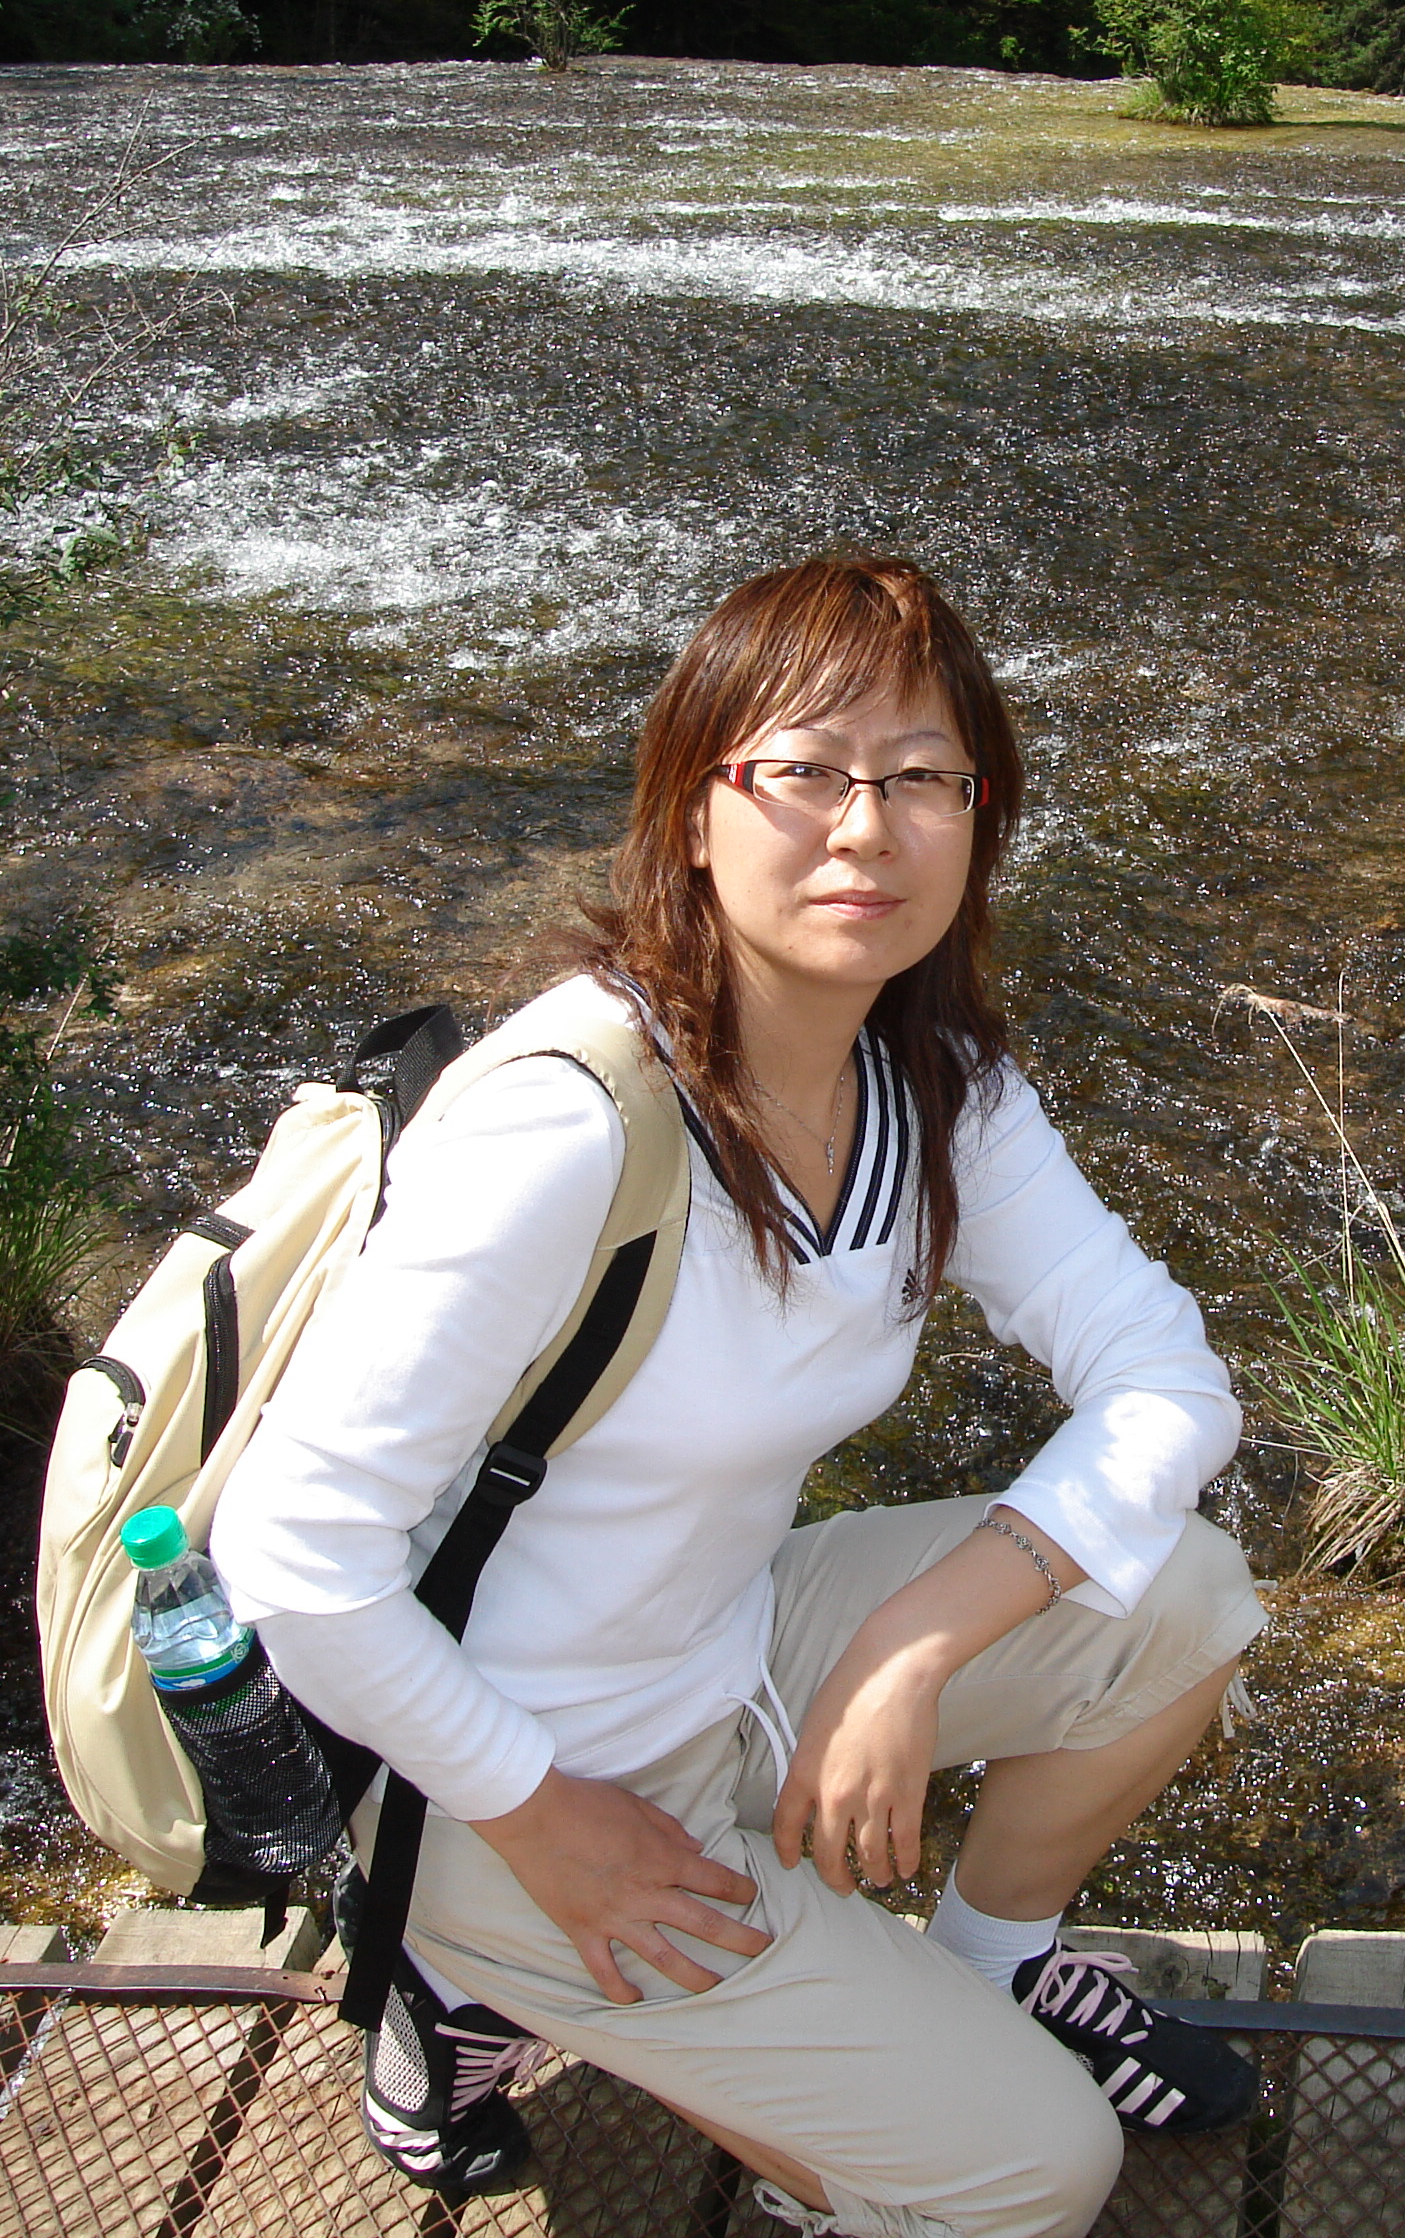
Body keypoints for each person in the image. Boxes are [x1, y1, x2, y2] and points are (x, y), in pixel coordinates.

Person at [213, 553, 1268, 2238]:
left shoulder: (934, 1086)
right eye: (806, 771)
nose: (867, 828)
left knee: (1186, 1598)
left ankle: (991, 1969)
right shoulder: (571, 1124)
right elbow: (295, 1550)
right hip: (499, 1773)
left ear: (979, 818)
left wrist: (912, 1642)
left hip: (729, 1654)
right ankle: (447, 1968)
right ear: (694, 810)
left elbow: (1168, 1381)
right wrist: (540, 1819)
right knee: (1032, 2178)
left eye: (922, 777)